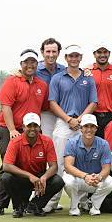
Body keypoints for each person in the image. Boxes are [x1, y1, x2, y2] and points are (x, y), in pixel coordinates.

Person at [0, 49, 49, 216]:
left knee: (32, 166)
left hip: (33, 129)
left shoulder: (41, 85)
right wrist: (12, 130)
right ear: (21, 64)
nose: (29, 65)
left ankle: (27, 202)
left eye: (33, 62)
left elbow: (43, 107)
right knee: (7, 166)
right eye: (26, 62)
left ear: (37, 64)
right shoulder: (11, 82)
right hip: (11, 129)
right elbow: (6, 107)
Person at [44, 44, 97, 213]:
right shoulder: (58, 78)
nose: (74, 59)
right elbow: (52, 102)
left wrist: (80, 120)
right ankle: (51, 201)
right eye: (70, 56)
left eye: (77, 56)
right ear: (66, 58)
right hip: (63, 123)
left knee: (83, 162)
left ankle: (81, 201)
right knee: (59, 163)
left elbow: (93, 102)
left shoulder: (88, 78)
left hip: (83, 124)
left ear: (81, 58)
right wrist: (68, 119)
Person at [0, 113, 65, 218]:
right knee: (6, 177)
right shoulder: (15, 142)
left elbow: (54, 166)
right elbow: (6, 165)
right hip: (21, 178)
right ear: (23, 127)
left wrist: (44, 177)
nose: (32, 129)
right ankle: (18, 207)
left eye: (35, 125)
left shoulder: (47, 141)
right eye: (29, 126)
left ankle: (35, 205)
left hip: (39, 178)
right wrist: (29, 176)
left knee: (58, 181)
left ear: (39, 127)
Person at [62, 114, 112, 216]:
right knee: (67, 181)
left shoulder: (103, 144)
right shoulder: (72, 142)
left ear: (96, 128)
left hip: (94, 180)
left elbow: (106, 168)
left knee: (110, 182)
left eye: (92, 126)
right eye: (86, 126)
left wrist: (99, 177)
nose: (89, 129)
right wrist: (85, 176)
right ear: (81, 128)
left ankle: (94, 205)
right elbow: (68, 166)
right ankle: (74, 206)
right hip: (78, 179)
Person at [91, 42, 112, 138]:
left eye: (105, 52)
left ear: (109, 53)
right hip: (92, 115)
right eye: (99, 52)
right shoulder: (88, 72)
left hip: (111, 116)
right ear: (94, 54)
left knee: (111, 147)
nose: (102, 55)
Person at [35, 38, 66, 138]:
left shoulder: (64, 70)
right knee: (47, 142)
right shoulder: (35, 70)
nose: (51, 55)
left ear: (58, 52)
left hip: (62, 113)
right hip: (45, 113)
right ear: (42, 52)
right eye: (48, 51)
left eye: (54, 51)